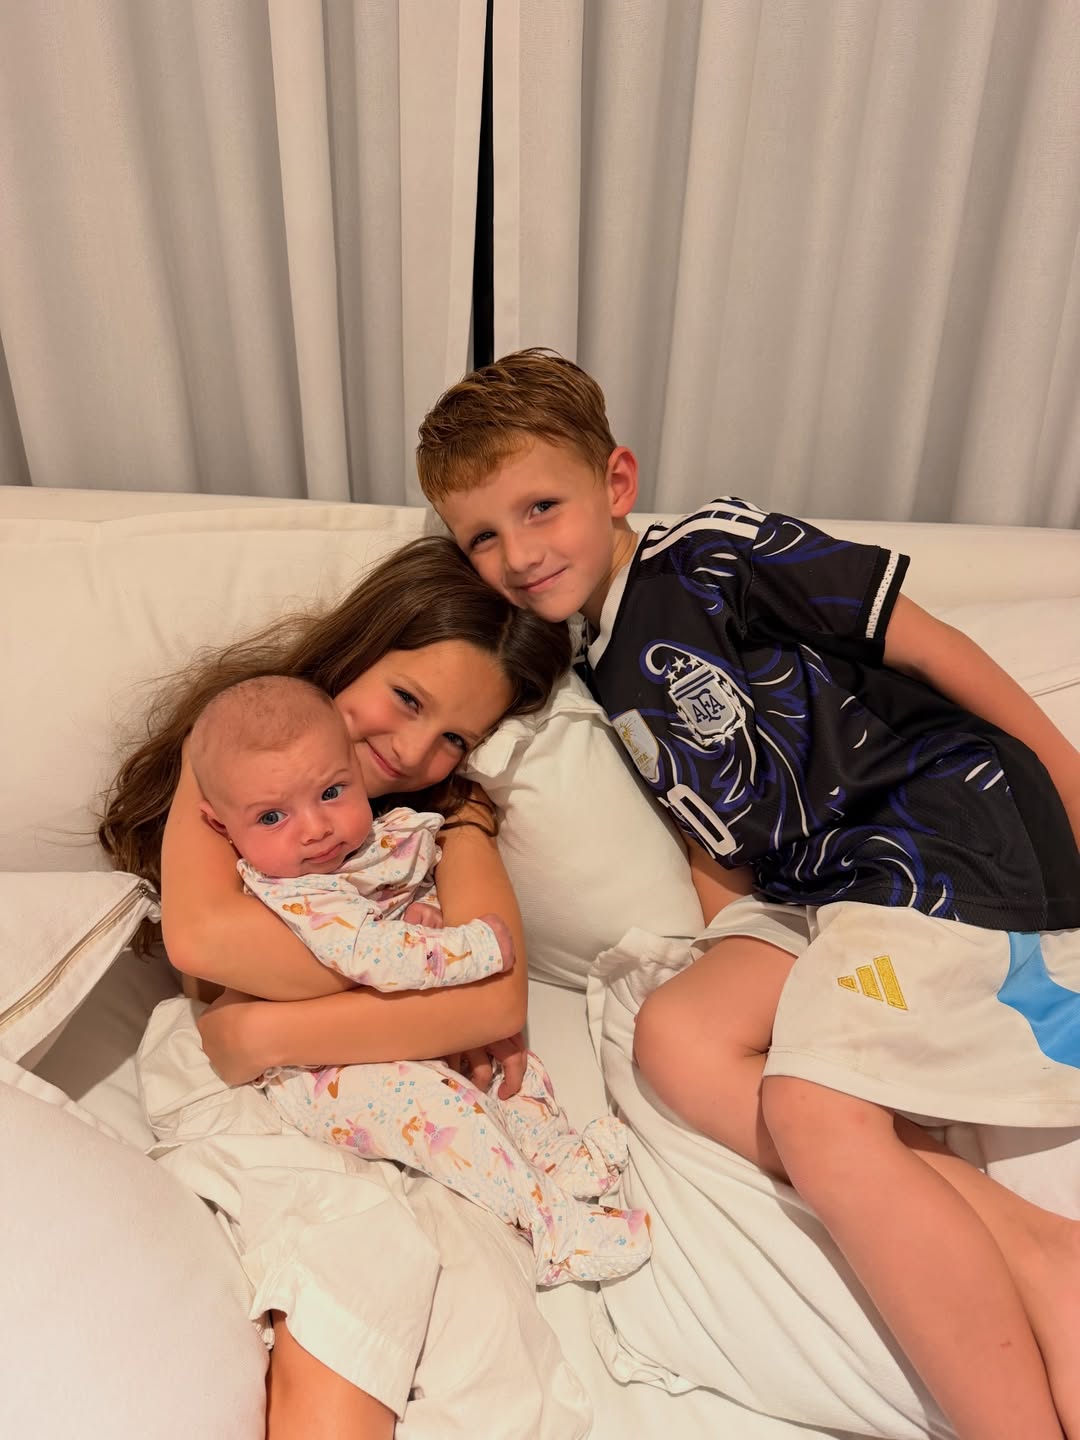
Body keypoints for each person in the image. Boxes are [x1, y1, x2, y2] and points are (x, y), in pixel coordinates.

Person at [416, 347, 1080, 1440]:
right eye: (481, 536)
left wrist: (1068, 786)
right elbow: (709, 816)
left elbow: (934, 647)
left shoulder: (716, 554)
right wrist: (735, 944)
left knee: (810, 1106)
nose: (518, 554)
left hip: (933, 836)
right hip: (821, 886)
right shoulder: (590, 655)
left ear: (615, 482)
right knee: (674, 1039)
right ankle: (1025, 1237)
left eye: (540, 508)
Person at [99, 535, 595, 1440]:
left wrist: (268, 1033)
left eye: (455, 738)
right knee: (355, 1251)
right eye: (407, 699)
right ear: (357, 650)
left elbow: (495, 1001)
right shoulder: (236, 753)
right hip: (272, 1102)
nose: (410, 751)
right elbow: (207, 942)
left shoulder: (442, 821)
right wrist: (415, 975)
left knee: (481, 1326)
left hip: (364, 1087)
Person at [184, 672, 649, 1286]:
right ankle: (551, 1230)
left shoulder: (374, 842)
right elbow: (368, 952)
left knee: (510, 1070)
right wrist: (469, 948)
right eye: (272, 816)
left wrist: (425, 914)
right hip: (321, 1070)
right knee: (442, 1113)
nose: (315, 828)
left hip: (390, 1030)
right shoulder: (290, 887)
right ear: (221, 826)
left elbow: (403, 907)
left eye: (332, 792)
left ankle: (554, 1155)